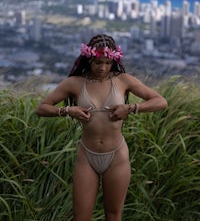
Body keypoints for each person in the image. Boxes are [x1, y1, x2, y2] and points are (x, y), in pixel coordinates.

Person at [35, 34, 168, 221]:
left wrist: (130, 108)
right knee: (81, 217)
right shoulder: (74, 83)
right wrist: (67, 110)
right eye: (97, 62)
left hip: (117, 156)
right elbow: (41, 108)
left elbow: (161, 101)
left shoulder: (123, 80)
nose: (103, 67)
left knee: (113, 215)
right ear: (88, 58)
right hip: (87, 157)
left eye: (107, 62)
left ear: (114, 60)